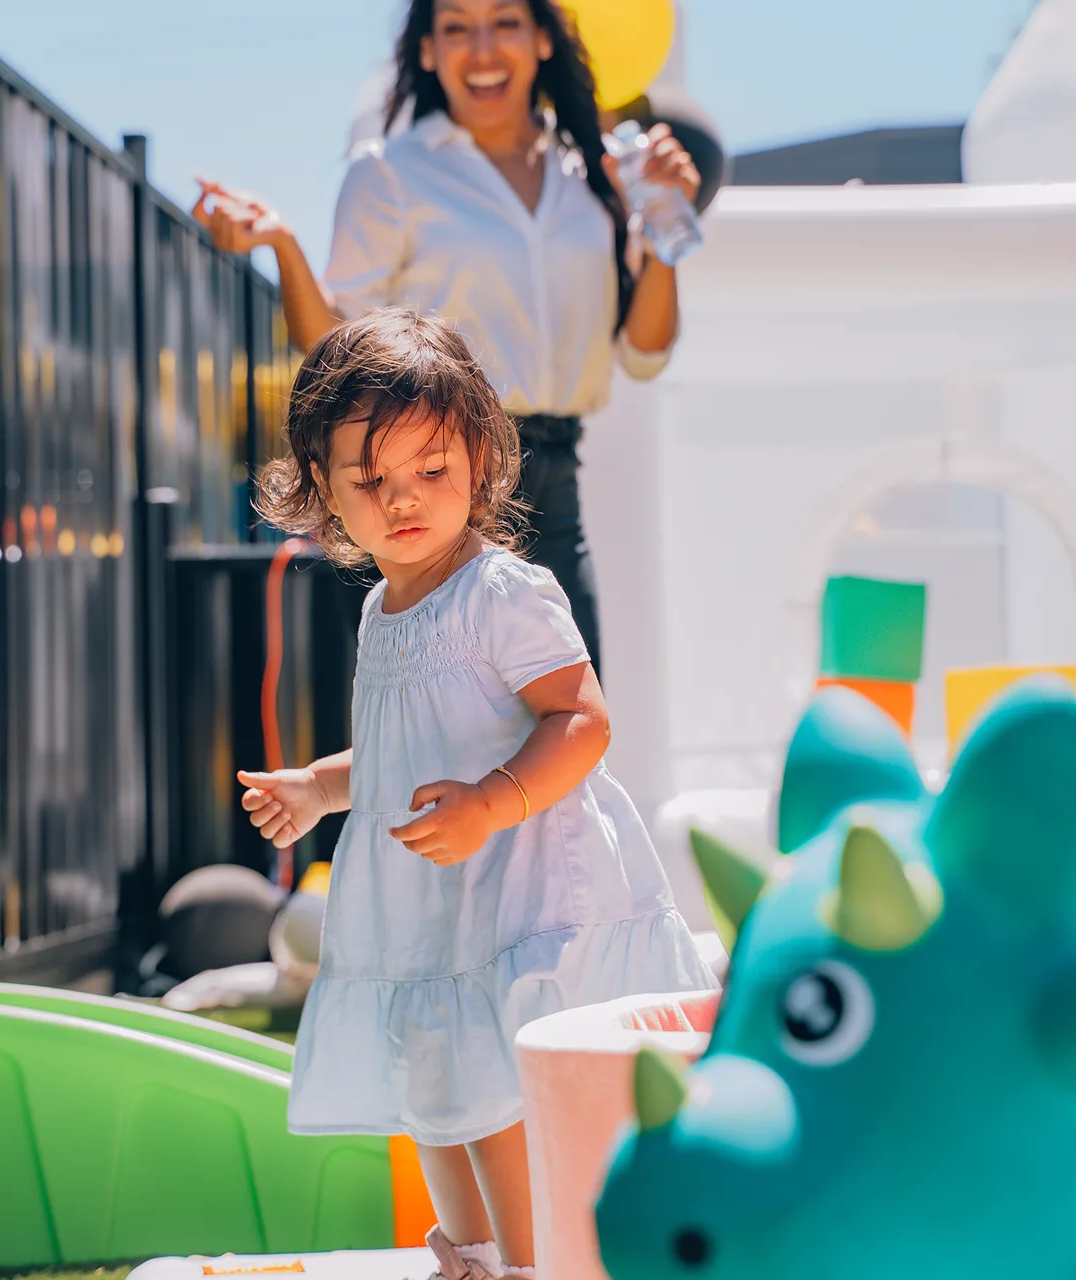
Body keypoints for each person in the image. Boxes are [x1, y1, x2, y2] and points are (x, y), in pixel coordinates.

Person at [236, 309, 716, 1280]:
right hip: (428, 907)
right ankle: (475, 1259)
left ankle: (535, 1263)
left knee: (493, 1090)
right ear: (324, 489)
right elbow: (394, 748)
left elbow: (581, 718)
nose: (401, 499)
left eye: (431, 471)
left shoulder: (502, 590)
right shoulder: (381, 608)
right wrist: (319, 787)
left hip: (519, 886)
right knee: (435, 1094)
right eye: (370, 480)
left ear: (479, 464)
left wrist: (492, 801)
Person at [193, 0, 700, 680]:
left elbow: (644, 353)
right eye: (457, 28)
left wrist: (664, 223)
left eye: (506, 23)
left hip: (554, 478)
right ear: (428, 52)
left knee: (572, 727)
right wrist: (285, 246)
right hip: (434, 478)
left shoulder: (593, 177)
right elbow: (339, 352)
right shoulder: (391, 172)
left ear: (543, 39)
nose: (482, 49)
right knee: (443, 737)